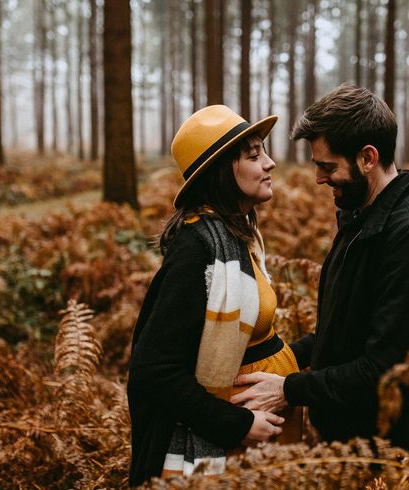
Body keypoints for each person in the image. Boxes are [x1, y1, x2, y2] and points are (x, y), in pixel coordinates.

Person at [231, 85, 409, 450]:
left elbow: (385, 368)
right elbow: (345, 331)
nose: (318, 178)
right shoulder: (360, 217)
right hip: (348, 435)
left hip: (385, 447)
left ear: (368, 158)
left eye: (327, 166)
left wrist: (289, 390)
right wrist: (280, 360)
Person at [127, 105, 302, 486]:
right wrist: (237, 425)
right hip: (230, 443)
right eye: (254, 155)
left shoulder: (239, 236)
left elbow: (255, 344)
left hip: (260, 434)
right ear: (223, 170)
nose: (270, 163)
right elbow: (153, 371)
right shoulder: (197, 250)